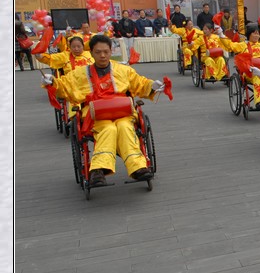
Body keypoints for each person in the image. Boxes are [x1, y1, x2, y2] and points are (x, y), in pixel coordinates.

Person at [40, 35, 166, 186]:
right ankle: (98, 169)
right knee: (108, 129)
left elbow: (140, 83)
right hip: (96, 114)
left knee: (125, 127)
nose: (102, 55)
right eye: (98, 52)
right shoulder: (80, 73)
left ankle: (138, 167)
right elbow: (64, 86)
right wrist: (52, 82)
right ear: (91, 53)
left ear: (111, 51)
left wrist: (152, 86)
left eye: (106, 51)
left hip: (122, 111)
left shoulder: (123, 70)